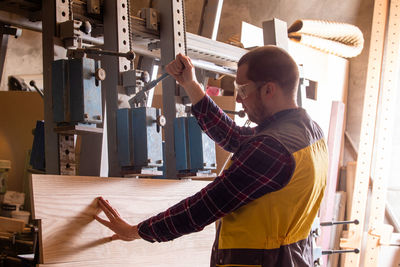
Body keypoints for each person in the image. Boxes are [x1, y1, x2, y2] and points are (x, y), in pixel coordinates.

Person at [95, 45, 328, 267]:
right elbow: (235, 137)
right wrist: (191, 85)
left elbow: (202, 208)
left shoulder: (272, 148)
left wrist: (135, 231)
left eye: (243, 90)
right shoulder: (308, 132)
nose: (238, 99)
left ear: (269, 89)